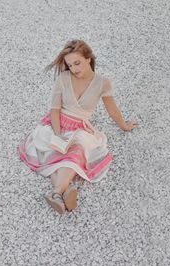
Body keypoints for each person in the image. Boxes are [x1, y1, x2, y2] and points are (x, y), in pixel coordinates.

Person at [18, 39, 138, 214]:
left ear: (88, 58)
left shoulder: (103, 83)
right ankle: (62, 192)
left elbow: (112, 109)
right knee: (55, 152)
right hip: (56, 123)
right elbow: (55, 108)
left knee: (76, 152)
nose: (74, 69)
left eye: (77, 63)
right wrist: (58, 135)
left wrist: (125, 126)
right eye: (70, 65)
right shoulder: (64, 78)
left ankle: (56, 193)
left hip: (79, 127)